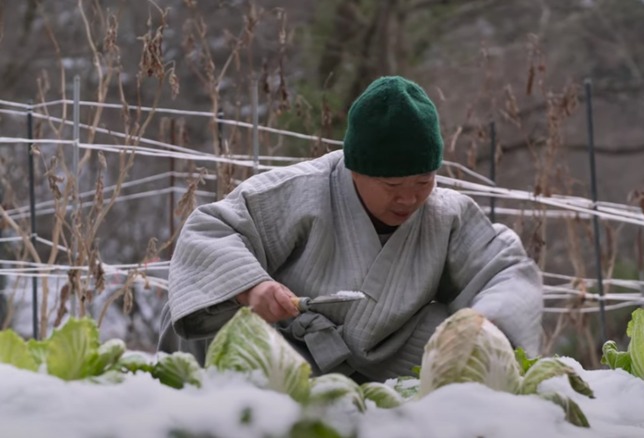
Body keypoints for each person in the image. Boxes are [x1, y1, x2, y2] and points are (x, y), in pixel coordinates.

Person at [157, 76, 544, 382]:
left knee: (465, 339)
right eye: (392, 186)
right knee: (213, 316)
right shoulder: (298, 190)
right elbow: (209, 231)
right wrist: (252, 288)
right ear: (354, 170)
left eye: (422, 182)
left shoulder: (446, 215)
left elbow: (504, 269)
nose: (409, 199)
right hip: (289, 349)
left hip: (391, 361)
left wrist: (485, 323)